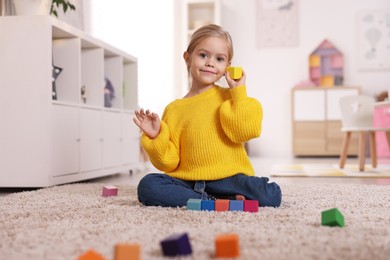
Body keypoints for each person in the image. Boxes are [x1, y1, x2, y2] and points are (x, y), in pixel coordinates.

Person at [133, 24, 281, 208]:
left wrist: (239, 93)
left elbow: (246, 131)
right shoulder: (174, 109)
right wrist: (156, 137)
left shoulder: (231, 97)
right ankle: (213, 202)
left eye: (219, 59)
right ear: (187, 58)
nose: (210, 63)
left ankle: (207, 200)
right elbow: (169, 163)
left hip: (228, 179)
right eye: (203, 55)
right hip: (189, 182)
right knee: (148, 186)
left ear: (228, 66)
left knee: (271, 194)